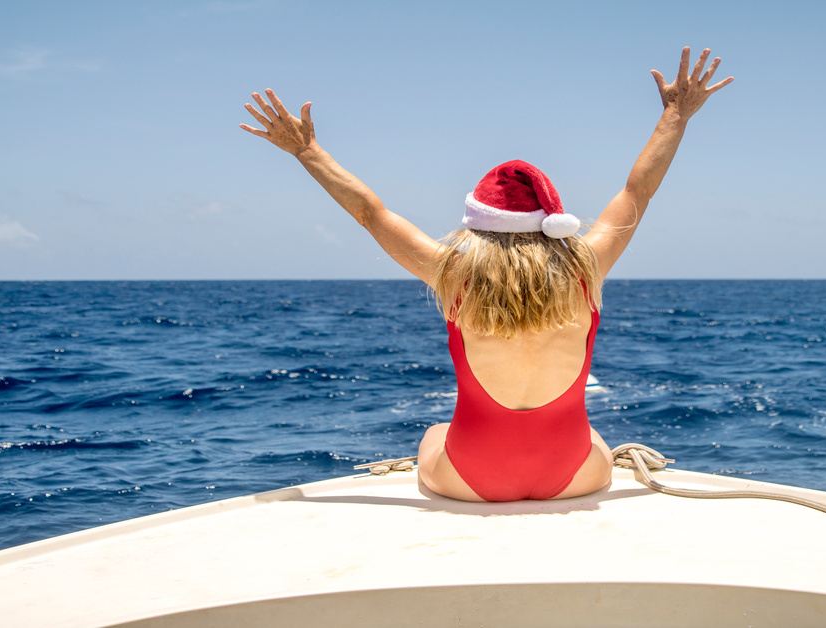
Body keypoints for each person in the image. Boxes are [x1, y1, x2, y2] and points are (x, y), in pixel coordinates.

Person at [241, 46, 733, 502]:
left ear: (478, 221)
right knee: (597, 437)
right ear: (550, 222)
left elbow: (371, 212)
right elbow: (636, 193)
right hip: (573, 476)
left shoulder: (452, 274)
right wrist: (676, 114)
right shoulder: (585, 266)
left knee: (434, 433)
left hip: (470, 479)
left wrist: (306, 150)